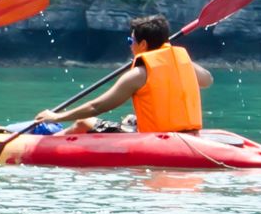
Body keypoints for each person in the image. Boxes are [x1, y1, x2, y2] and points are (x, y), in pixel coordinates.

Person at [30, 15, 211, 134]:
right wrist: (173, 55)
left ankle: (38, 143)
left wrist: (56, 116)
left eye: (130, 40)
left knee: (83, 123)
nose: (130, 45)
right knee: (130, 119)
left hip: (158, 139)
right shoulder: (185, 63)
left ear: (143, 44)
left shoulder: (138, 74)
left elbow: (96, 107)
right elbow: (207, 80)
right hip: (189, 134)